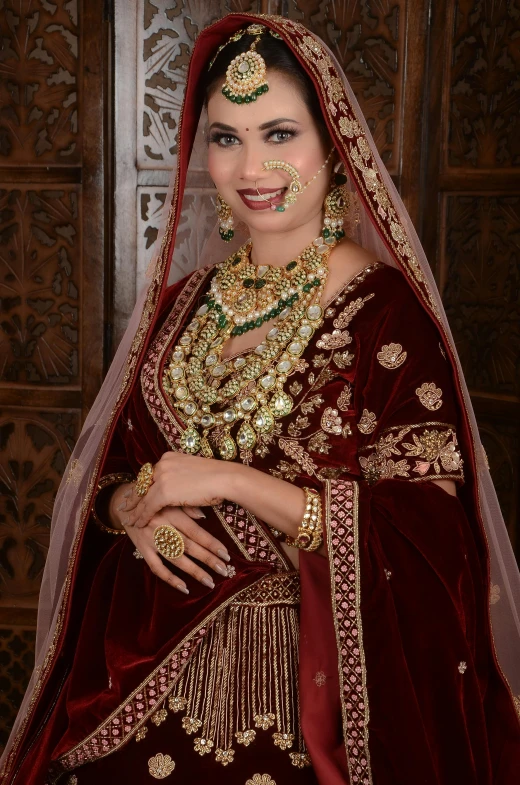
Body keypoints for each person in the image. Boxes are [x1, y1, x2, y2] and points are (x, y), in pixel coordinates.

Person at [1, 13, 519, 785]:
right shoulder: (180, 306)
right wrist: (132, 515)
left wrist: (232, 482)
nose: (252, 166)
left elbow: (431, 542)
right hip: (138, 676)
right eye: (226, 137)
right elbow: (108, 478)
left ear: (332, 146)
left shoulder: (386, 316)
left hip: (317, 714)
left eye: (279, 134)